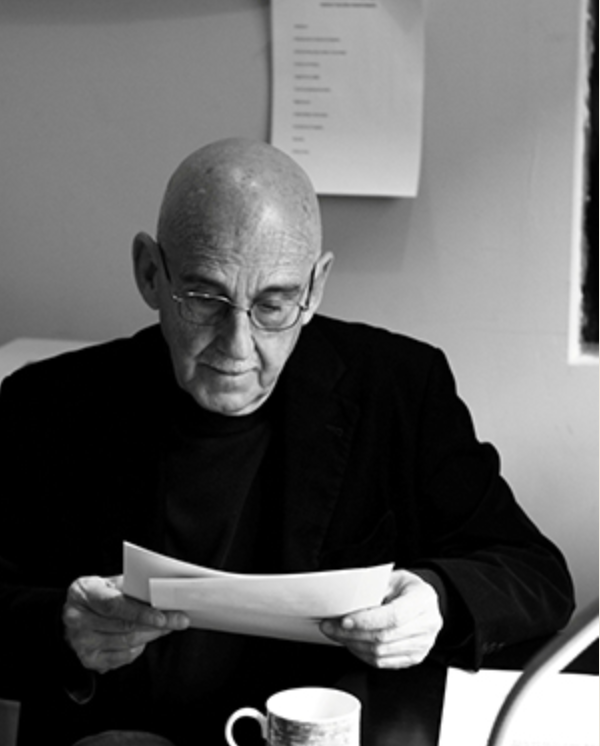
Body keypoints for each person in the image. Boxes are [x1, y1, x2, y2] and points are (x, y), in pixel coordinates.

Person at [0, 138, 574, 746]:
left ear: (315, 288)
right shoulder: (48, 404)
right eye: (205, 299)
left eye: (272, 306)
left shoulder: (399, 391)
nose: (237, 345)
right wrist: (62, 627)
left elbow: (535, 573)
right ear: (150, 273)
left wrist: (436, 600)